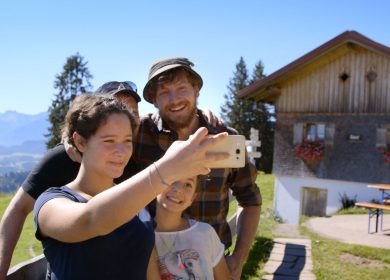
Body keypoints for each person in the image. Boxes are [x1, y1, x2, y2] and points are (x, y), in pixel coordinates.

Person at [0, 80, 222, 279]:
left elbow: (147, 264)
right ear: (80, 142)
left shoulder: (136, 205)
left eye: (127, 140)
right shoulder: (51, 202)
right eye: (109, 141)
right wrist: (167, 170)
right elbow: (91, 220)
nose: (122, 151)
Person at [134, 57, 262, 279]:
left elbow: (250, 199)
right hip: (148, 265)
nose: (174, 100)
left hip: (211, 265)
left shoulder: (225, 138)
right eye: (164, 92)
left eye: (182, 88)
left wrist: (239, 258)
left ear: (196, 90)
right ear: (154, 100)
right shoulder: (138, 134)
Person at [0, 81, 142, 279]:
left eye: (132, 111)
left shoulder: (136, 151)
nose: (124, 116)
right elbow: (18, 208)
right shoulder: (61, 158)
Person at [154, 176, 230, 279]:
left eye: (188, 184)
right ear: (155, 185)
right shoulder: (140, 237)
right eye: (171, 180)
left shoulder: (205, 233)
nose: (178, 189)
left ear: (192, 199)